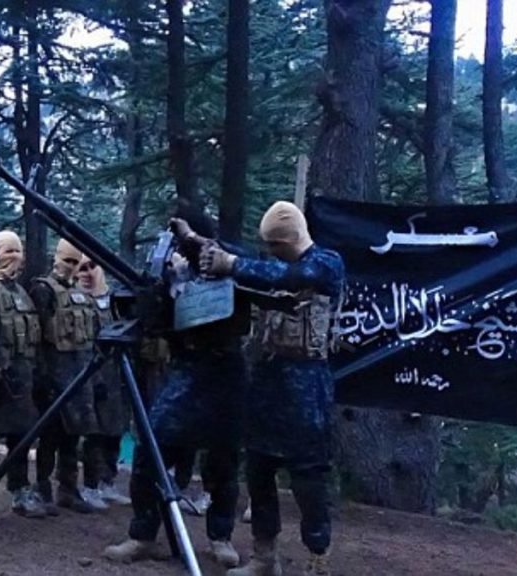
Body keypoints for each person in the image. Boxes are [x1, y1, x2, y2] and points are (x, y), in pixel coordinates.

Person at [200, 201, 345, 576]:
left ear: (289, 240)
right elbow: (260, 267)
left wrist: (231, 264)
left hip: (307, 387)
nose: (270, 253)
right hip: (267, 382)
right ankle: (264, 557)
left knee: (308, 479)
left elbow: (291, 276)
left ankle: (318, 557)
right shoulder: (271, 266)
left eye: (275, 245)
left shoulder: (327, 264)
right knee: (259, 470)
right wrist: (202, 243)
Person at [103, 213, 245, 569]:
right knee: (150, 451)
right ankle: (143, 535)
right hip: (185, 369)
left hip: (225, 371)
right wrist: (158, 287)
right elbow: (152, 320)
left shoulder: (233, 263)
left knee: (223, 460)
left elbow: (246, 273)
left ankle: (220, 536)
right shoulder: (171, 274)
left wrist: (198, 244)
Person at [0, 230, 47, 519]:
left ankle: (20, 491)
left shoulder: (23, 292)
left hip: (23, 377)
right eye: (8, 251)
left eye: (18, 251)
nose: (14, 257)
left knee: (21, 438)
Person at [29, 239, 100, 514]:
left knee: (74, 434)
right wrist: (41, 376)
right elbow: (36, 336)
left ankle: (68, 489)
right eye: (67, 260)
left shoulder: (82, 296)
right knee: (50, 435)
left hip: (79, 375)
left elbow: (92, 339)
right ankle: (42, 487)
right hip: (53, 374)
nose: (71, 267)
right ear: (56, 258)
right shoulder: (43, 290)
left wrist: (95, 379)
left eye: (76, 262)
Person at [77, 255, 132, 510]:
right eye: (82, 269)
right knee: (95, 433)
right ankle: (90, 485)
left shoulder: (114, 301)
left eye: (92, 267)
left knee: (115, 429)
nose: (87, 273)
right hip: (91, 373)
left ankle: (107, 481)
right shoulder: (78, 302)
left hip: (116, 374)